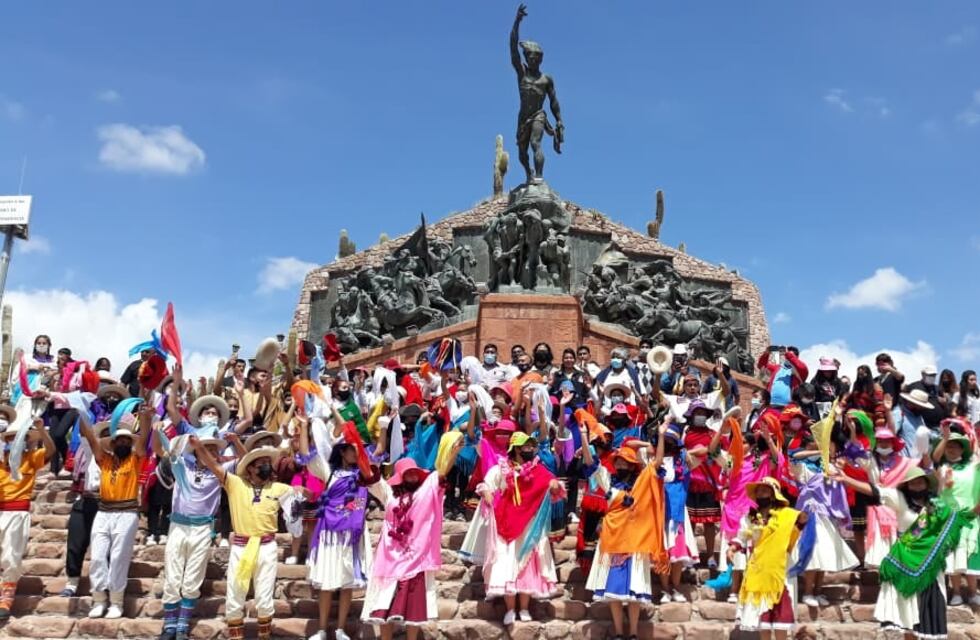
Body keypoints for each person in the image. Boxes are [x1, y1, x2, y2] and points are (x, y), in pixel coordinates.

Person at [833, 465, 979, 640]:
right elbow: (874, 490)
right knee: (908, 615)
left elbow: (959, 519)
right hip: (906, 563)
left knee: (929, 608)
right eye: (913, 483)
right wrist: (847, 479)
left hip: (930, 564)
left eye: (920, 483)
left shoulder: (937, 505)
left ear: (926, 484)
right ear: (907, 486)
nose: (917, 486)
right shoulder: (899, 498)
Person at [194, 435, 302, 640]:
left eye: (268, 463)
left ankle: (264, 636)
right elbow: (214, 466)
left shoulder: (279, 488)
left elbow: (302, 497)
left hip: (267, 546)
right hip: (241, 546)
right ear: (251, 468)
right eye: (262, 463)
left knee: (264, 595)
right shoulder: (235, 484)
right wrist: (199, 447)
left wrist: (302, 492)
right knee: (235, 594)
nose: (267, 466)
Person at [362, 442, 463, 640]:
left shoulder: (425, 491)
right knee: (383, 605)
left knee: (414, 611)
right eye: (407, 473)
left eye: (414, 472)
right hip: (389, 558)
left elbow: (442, 471)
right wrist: (360, 452)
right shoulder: (389, 494)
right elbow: (370, 478)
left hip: (416, 558)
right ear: (400, 476)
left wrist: (454, 452)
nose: (412, 476)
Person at [298, 409, 375, 640]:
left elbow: (377, 453)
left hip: (352, 531)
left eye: (358, 449)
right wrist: (303, 427)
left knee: (347, 581)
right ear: (342, 451)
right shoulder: (329, 472)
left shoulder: (364, 474)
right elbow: (306, 456)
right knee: (326, 581)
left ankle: (340, 630)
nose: (356, 453)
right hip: (329, 531)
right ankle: (322, 630)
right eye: (352, 449)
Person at [152, 426, 234, 640]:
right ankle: (169, 625)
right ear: (196, 450)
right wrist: (154, 430)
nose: (211, 452)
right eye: (206, 448)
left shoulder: (220, 471)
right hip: (178, 525)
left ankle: (182, 624)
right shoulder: (183, 465)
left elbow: (244, 461)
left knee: (193, 576)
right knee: (173, 573)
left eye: (214, 449)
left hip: (202, 528)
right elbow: (159, 450)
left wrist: (235, 442)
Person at [585, 433, 666, 640]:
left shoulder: (642, 482)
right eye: (618, 461)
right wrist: (584, 436)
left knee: (634, 592)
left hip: (635, 541)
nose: (620, 464)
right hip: (612, 540)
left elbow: (657, 462)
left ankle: (634, 633)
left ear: (632, 465)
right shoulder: (608, 482)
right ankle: (619, 632)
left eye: (624, 461)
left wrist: (661, 434)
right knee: (613, 592)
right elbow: (590, 462)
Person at [477, 431, 563, 625]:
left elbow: (552, 483)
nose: (530, 449)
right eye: (526, 446)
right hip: (506, 523)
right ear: (515, 448)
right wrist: (487, 493)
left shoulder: (537, 470)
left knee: (525, 564)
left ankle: (523, 608)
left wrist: (554, 484)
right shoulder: (501, 469)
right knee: (507, 564)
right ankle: (510, 610)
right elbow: (486, 484)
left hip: (528, 525)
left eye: (531, 446)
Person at [83, 406, 150, 619]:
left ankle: (116, 602)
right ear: (112, 444)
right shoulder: (104, 460)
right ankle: (98, 599)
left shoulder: (135, 459)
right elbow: (92, 440)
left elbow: (144, 438)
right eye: (119, 441)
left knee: (119, 556)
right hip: (103, 512)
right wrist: (80, 414)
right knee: (97, 557)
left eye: (126, 441)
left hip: (127, 512)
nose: (122, 443)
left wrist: (145, 418)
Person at [732, 477, 808, 639]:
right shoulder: (750, 517)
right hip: (758, 570)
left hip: (781, 571)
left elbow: (801, 521)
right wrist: (733, 548)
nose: (761, 494)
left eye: (765, 491)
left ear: (774, 495)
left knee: (781, 620)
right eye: (758, 491)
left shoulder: (786, 515)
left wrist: (802, 517)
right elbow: (742, 537)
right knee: (763, 620)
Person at [0, 408, 55, 618]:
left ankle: (6, 599)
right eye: (10, 439)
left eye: (18, 439)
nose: (14, 442)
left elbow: (50, 450)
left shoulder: (31, 458)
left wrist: (42, 431)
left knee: (11, 555)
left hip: (17, 512)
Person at [931, 423, 980, 606]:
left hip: (970, 516)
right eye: (948, 446)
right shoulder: (942, 468)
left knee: (970, 554)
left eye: (955, 446)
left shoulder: (973, 467)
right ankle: (957, 592)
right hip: (948, 518)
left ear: (962, 449)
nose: (951, 449)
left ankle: (973, 592)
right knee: (951, 556)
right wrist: (945, 438)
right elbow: (934, 458)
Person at [757, 346, 808, 410]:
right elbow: (761, 366)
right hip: (771, 405)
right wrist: (766, 353)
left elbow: (802, 367)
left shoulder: (800, 372)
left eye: (791, 355)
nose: (787, 357)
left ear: (796, 358)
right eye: (786, 355)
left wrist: (787, 353)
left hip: (789, 408)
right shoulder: (777, 368)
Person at [903, 366, 945, 431]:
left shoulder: (937, 388)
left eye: (934, 375)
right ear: (923, 374)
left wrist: (944, 402)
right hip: (922, 425)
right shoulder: (914, 386)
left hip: (938, 426)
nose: (932, 377)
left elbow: (944, 403)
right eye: (930, 375)